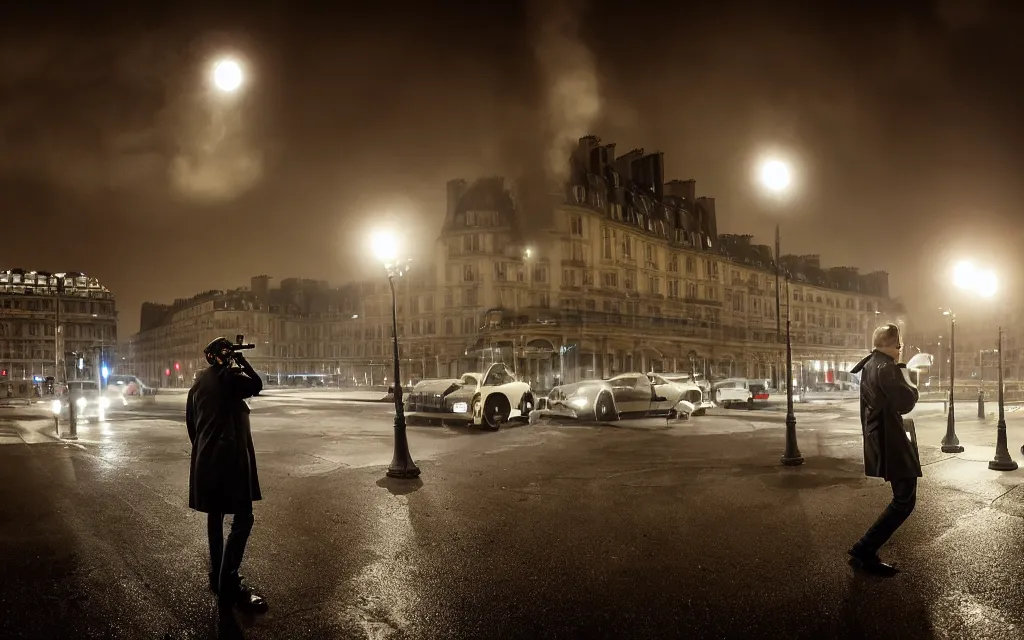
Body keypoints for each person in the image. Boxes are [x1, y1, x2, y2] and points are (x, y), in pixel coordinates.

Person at [186, 337, 267, 609]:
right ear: (225, 356)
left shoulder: (197, 385)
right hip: (230, 461)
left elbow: (191, 427)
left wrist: (204, 449)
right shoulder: (230, 378)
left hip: (205, 461)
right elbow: (257, 384)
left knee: (215, 516)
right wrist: (241, 360)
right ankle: (228, 580)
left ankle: (217, 574)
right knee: (243, 518)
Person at [847, 323, 921, 576]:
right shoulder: (887, 367)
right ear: (890, 345)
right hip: (891, 439)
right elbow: (906, 402)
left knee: (903, 497)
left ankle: (864, 549)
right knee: (904, 500)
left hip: (881, 436)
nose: (900, 351)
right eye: (899, 346)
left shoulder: (869, 364)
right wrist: (907, 376)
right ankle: (864, 549)